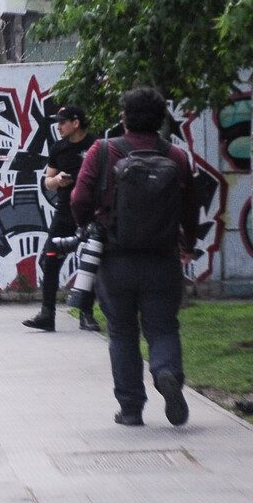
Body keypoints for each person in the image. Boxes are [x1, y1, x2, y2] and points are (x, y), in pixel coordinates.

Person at [70, 87, 200, 427]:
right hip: (162, 258)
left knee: (122, 333)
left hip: (115, 259)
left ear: (124, 117)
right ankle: (166, 373)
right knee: (163, 328)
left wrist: (89, 226)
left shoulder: (102, 151)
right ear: (160, 120)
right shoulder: (176, 157)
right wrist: (188, 243)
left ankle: (130, 408)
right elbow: (190, 209)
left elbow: (79, 199)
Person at [22, 105, 99, 332]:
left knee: (89, 262)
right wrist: (58, 182)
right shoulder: (58, 148)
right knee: (49, 259)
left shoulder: (96, 145)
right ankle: (47, 314)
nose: (59, 126)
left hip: (89, 214)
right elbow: (48, 180)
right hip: (65, 212)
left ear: (76, 123)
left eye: (63, 122)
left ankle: (87, 314)